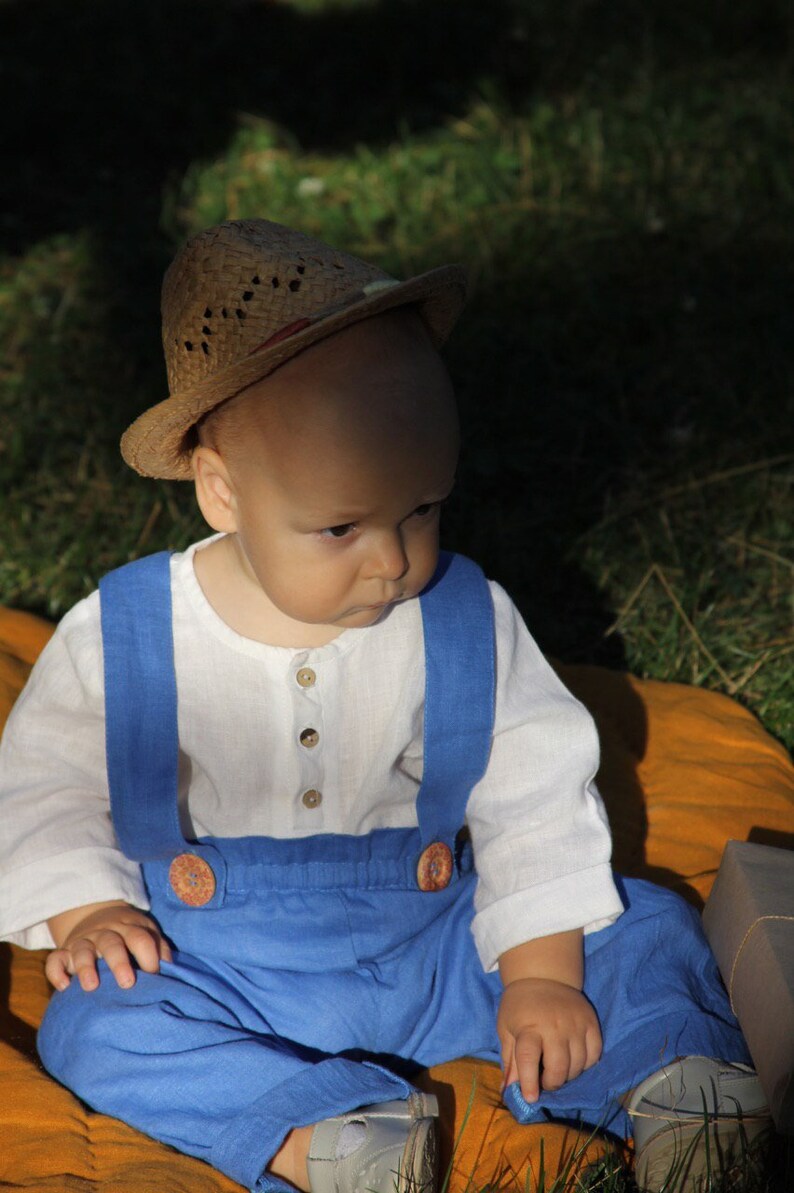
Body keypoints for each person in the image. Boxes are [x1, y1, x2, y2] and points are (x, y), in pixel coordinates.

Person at [0, 220, 768, 1193]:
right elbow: (48, 781)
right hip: (224, 965)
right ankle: (325, 1134)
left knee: (641, 923)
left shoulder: (461, 612)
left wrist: (536, 970)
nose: (395, 558)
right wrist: (91, 906)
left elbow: (532, 788)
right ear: (221, 492)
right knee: (94, 1022)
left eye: (423, 506)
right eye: (340, 525)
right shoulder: (129, 630)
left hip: (439, 943)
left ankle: (681, 1091)